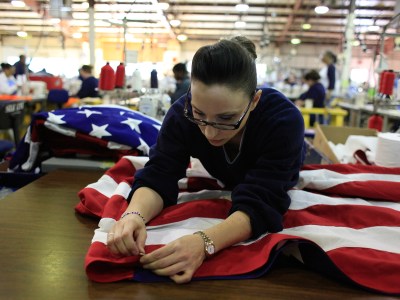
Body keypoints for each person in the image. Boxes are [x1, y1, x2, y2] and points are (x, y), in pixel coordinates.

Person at [107, 36, 305, 284]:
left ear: (254, 101)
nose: (210, 132)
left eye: (227, 118)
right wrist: (134, 215)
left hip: (279, 173)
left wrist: (204, 242)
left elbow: (262, 201)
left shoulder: (284, 121)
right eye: (199, 114)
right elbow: (160, 173)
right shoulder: (182, 113)